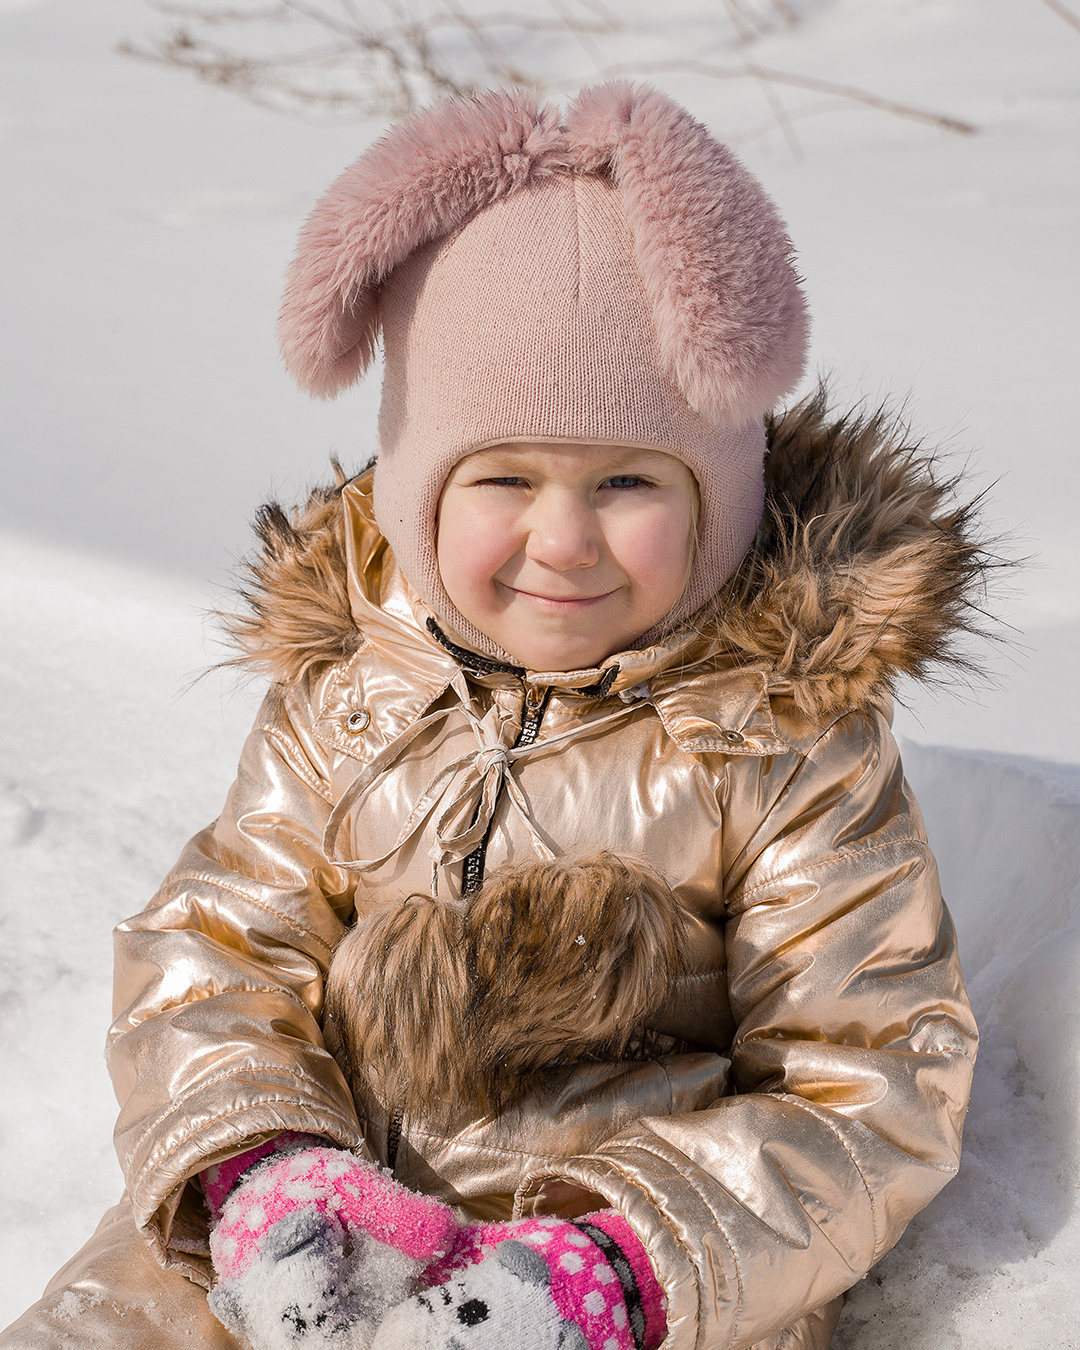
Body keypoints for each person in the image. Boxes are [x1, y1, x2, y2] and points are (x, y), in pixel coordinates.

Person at [1, 81, 983, 1350]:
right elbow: (218, 954)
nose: (562, 540)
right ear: (418, 492)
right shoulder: (352, 688)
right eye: (504, 478)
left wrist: (616, 1270)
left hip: (625, 1280)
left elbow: (872, 1082)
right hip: (310, 1232)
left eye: (629, 479)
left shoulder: (782, 736)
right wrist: (259, 1175)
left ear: (722, 502)